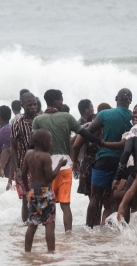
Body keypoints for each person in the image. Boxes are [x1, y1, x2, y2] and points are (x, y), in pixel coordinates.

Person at [32, 89, 101, 232]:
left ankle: (46, 234)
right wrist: (100, 142)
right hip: (64, 165)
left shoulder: (38, 120)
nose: (62, 103)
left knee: (45, 204)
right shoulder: (67, 117)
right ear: (57, 101)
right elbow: (84, 133)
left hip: (46, 166)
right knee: (65, 205)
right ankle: (68, 235)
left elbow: (32, 144)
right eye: (61, 100)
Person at [80, 88, 133, 228]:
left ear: (116, 99)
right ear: (130, 101)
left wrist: (97, 143)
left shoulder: (104, 114)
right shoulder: (134, 117)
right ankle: (116, 230)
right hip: (124, 162)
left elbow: (87, 132)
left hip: (103, 159)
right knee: (116, 199)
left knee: (96, 196)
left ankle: (91, 229)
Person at [22, 129, 67, 252]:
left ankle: (27, 252)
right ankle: (51, 252)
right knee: (49, 224)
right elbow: (50, 176)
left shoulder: (28, 154)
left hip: (33, 190)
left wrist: (27, 190)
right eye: (50, 141)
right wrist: (60, 165)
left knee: (32, 224)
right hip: (45, 191)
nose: (51, 143)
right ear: (45, 143)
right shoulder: (46, 156)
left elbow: (23, 174)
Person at [5, 92, 37, 223]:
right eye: (30, 105)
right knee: (26, 198)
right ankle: (25, 227)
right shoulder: (17, 124)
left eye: (35, 104)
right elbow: (12, 148)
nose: (33, 107)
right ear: (23, 106)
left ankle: (41, 226)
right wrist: (17, 169)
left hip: (41, 164)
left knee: (42, 196)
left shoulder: (41, 119)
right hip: (25, 165)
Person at [74, 103, 111, 197]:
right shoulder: (109, 127)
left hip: (88, 166)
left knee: (93, 199)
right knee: (107, 201)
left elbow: (75, 145)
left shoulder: (87, 126)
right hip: (105, 165)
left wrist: (75, 160)